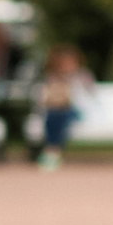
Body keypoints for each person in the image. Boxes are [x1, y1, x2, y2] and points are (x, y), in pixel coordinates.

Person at [35, 45, 95, 173]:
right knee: (53, 116)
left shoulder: (82, 76)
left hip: (75, 111)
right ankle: (54, 152)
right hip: (54, 111)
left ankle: (51, 151)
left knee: (60, 115)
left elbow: (90, 94)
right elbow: (43, 97)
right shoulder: (52, 77)